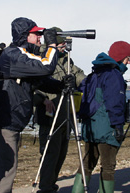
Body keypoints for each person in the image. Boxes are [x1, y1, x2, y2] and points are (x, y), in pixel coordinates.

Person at [0, 17, 73, 193]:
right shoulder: (14, 54)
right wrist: (52, 46)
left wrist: (61, 84)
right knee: (6, 169)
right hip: (6, 120)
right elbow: (45, 66)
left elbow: (39, 80)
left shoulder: (19, 55)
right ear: (25, 36)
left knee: (7, 167)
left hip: (9, 119)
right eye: (37, 34)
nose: (40, 37)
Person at [72, 41, 130, 193]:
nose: (129, 61)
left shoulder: (94, 74)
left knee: (87, 163)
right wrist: (118, 126)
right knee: (108, 166)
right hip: (107, 128)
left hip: (90, 127)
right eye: (127, 58)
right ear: (121, 57)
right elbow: (115, 104)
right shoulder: (114, 75)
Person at [34, 27, 86, 193]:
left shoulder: (67, 60)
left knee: (61, 154)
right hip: (50, 116)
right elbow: (34, 84)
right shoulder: (41, 57)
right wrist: (42, 99)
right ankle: (45, 188)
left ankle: (52, 185)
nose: (64, 45)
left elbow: (81, 77)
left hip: (66, 115)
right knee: (49, 154)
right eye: (62, 42)